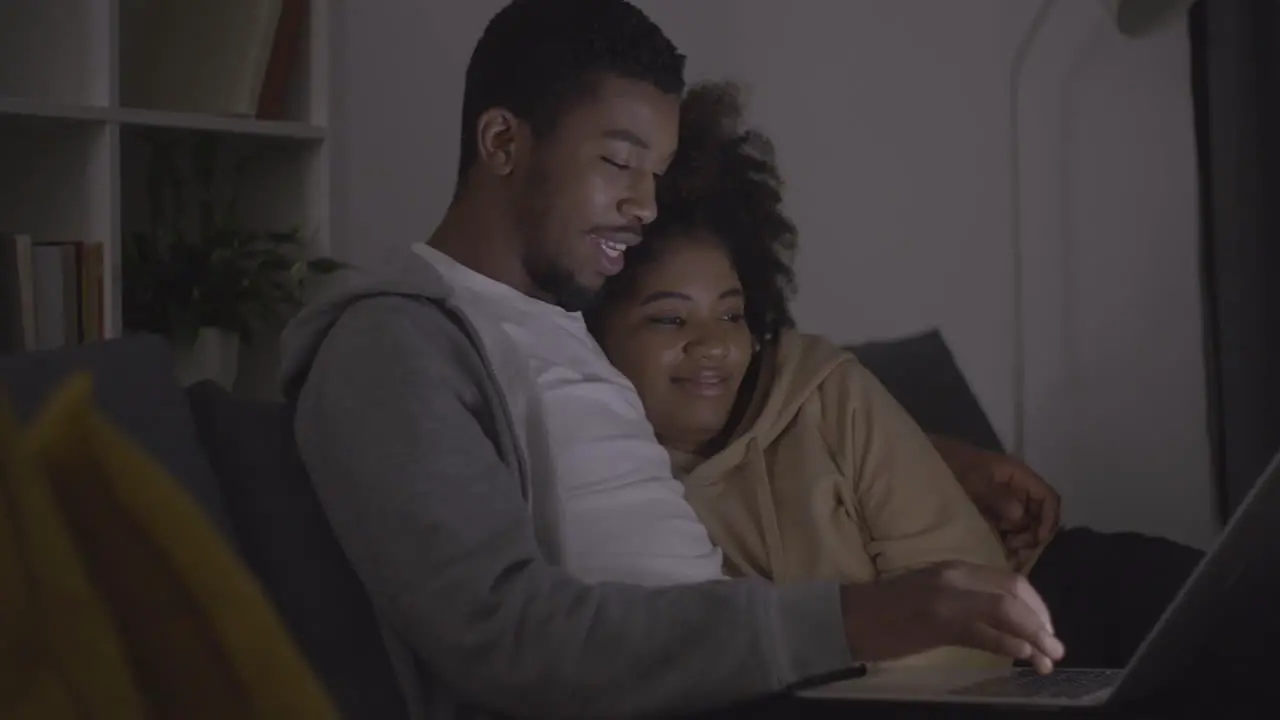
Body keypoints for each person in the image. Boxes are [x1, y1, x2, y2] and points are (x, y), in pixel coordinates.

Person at [280, 1, 1062, 718]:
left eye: (655, 173)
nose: (646, 206)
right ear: (502, 143)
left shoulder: (571, 327)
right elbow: (506, 637)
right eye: (619, 164)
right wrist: (864, 617)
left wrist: (941, 461)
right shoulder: (391, 344)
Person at [586, 80, 1201, 672]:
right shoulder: (605, 491)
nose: (714, 345)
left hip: (1048, 613)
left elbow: (980, 631)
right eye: (668, 318)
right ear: (592, 331)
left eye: (732, 313)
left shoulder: (822, 389)